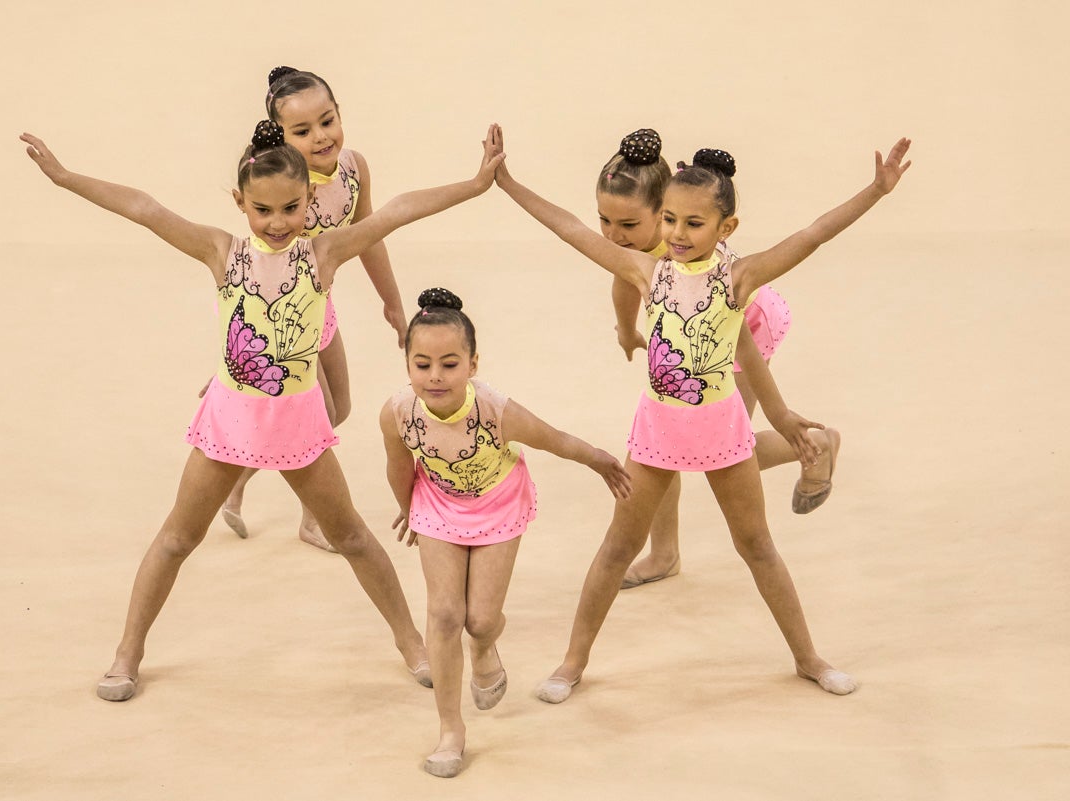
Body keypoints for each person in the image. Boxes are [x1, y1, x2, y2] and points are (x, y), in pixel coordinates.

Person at [18, 119, 505, 702]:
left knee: (351, 535)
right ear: (239, 202)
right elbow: (145, 208)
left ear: (309, 201)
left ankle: (411, 642)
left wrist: (475, 186)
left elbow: (395, 212)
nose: (277, 224)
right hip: (230, 422)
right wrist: (66, 177)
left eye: (292, 208)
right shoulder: (222, 251)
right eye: (262, 210)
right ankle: (128, 652)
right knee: (176, 538)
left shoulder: (323, 253)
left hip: (296, 423)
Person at [491, 125, 912, 701]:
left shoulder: (739, 277)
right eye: (669, 220)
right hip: (658, 433)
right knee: (617, 548)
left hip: (722, 431)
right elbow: (568, 227)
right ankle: (571, 662)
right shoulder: (648, 271)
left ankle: (809, 657)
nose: (678, 233)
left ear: (726, 227)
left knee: (757, 547)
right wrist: (506, 181)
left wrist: (876, 192)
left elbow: (813, 234)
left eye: (694, 223)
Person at [381, 288, 631, 777]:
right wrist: (407, 509)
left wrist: (601, 461)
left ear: (473, 363)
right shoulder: (396, 412)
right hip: (437, 503)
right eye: (423, 364)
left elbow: (555, 440)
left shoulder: (495, 410)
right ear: (407, 363)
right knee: (446, 613)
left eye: (450, 364)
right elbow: (398, 466)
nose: (435, 376)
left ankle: (484, 645)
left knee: (480, 619)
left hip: (498, 502)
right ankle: (451, 730)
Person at [593, 129, 840, 589]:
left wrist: (778, 408)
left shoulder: (677, 246)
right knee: (664, 442)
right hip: (707, 333)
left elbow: (733, 326)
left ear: (659, 210)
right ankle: (663, 553)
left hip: (747, 323)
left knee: (724, 444)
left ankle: (816, 443)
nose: (613, 236)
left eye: (628, 226)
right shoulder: (652, 246)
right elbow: (622, 281)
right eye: (605, 221)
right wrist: (627, 331)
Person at [217, 67, 409, 551]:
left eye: (327, 120)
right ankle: (312, 519)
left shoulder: (353, 169)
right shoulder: (281, 188)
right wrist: (235, 360)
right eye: (302, 132)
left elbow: (369, 236)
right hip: (281, 320)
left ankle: (238, 477)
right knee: (315, 416)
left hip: (319, 311)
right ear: (281, 141)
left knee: (337, 408)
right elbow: (252, 282)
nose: (321, 137)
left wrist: (393, 303)